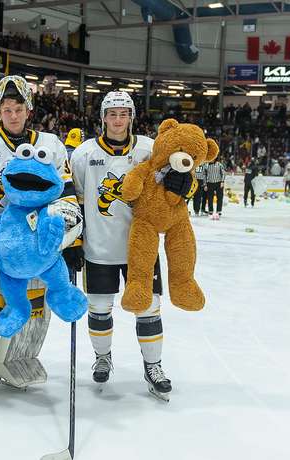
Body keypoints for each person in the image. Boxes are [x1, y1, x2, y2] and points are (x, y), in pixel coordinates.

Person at [0, 75, 81, 391]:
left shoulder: (50, 145)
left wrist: (72, 239)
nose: (13, 114)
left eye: (19, 108)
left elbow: (65, 194)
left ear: (29, 110)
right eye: (7, 108)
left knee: (35, 307)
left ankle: (17, 358)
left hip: (39, 245)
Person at [69, 90, 196, 401]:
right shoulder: (84, 154)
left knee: (149, 308)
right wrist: (74, 241)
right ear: (102, 118)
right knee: (99, 309)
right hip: (99, 247)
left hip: (142, 245)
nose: (117, 120)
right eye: (111, 114)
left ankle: (153, 367)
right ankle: (103, 358)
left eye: (123, 114)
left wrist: (187, 186)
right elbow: (77, 199)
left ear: (131, 117)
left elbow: (181, 182)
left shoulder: (149, 149)